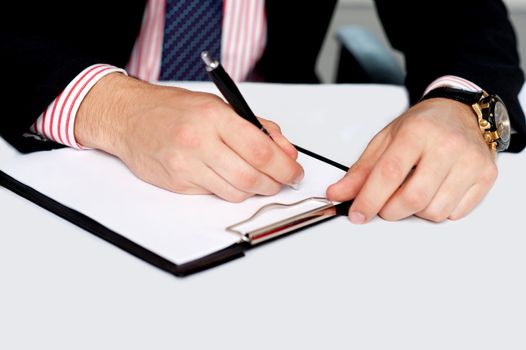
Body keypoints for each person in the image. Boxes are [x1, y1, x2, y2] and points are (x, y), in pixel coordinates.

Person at [1, 0, 525, 224]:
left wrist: (462, 105)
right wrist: (113, 107)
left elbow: (466, 18)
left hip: (279, 147)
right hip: (62, 165)